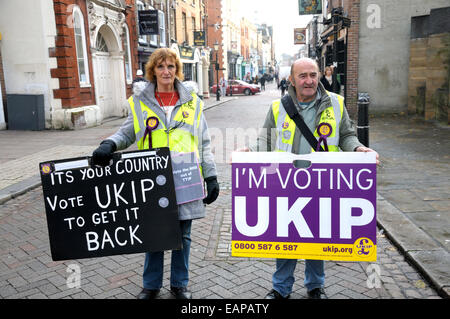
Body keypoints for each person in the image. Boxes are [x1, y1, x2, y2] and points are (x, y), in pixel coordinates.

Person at [237, 58, 379, 299]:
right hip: (286, 181)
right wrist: (250, 151)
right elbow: (266, 139)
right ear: (291, 79)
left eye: (313, 75)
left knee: (317, 236)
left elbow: (346, 135)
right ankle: (281, 288)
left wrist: (358, 149)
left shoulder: (336, 103)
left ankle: (315, 286)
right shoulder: (277, 107)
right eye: (303, 76)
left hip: (321, 181)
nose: (309, 80)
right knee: (285, 238)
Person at [91, 48, 220, 300]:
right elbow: (126, 133)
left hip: (186, 177)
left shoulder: (193, 102)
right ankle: (151, 286)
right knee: (154, 233)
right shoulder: (140, 102)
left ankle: (179, 284)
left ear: (177, 70)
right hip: (151, 178)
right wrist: (109, 143)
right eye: (161, 67)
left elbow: (203, 141)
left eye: (171, 66)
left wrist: (211, 175)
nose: (166, 71)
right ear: (153, 70)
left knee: (183, 234)